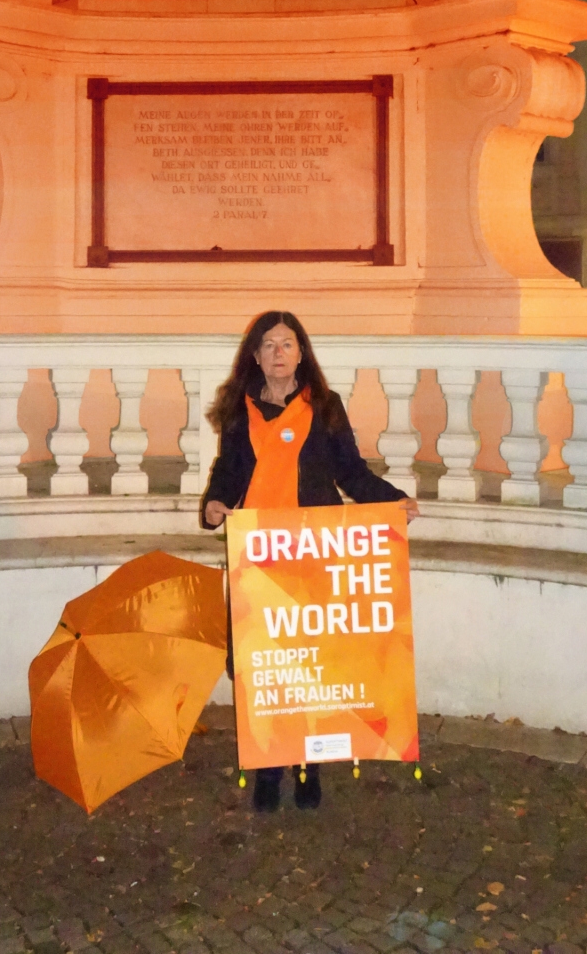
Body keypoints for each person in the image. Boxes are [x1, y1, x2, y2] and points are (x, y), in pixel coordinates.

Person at [201, 310, 418, 813]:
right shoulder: (242, 410)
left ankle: (308, 766)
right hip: (258, 554)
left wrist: (393, 501)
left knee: (312, 664)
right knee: (263, 667)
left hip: (314, 551)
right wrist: (214, 503)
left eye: (288, 343)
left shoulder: (325, 407)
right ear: (254, 355)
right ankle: (269, 768)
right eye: (269, 344)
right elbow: (228, 472)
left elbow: (352, 472)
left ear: (302, 352)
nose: (279, 352)